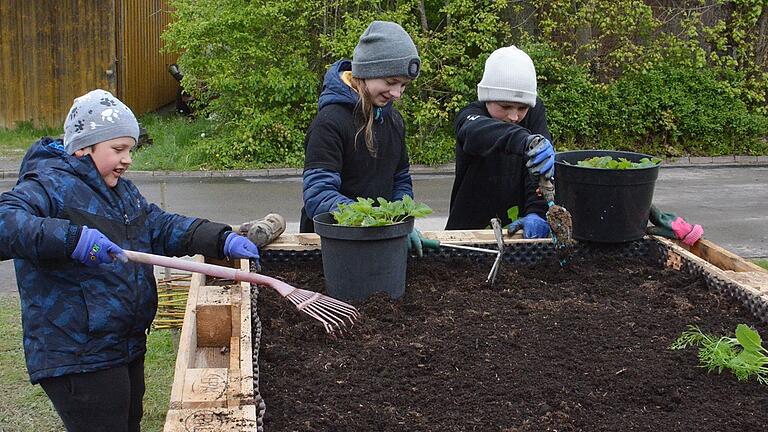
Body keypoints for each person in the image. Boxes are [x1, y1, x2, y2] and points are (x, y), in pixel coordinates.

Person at [0, 89, 261, 432]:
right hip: (79, 352)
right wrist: (71, 239)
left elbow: (158, 226)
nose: (128, 160)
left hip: (123, 342)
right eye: (118, 149)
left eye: (131, 150)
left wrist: (219, 237)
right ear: (83, 147)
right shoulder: (49, 185)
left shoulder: (120, 191)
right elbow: (6, 223)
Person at [299, 20, 425, 247]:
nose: (397, 93)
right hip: (332, 246)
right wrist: (374, 221)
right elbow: (319, 195)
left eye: (404, 85)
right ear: (366, 72)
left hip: (380, 241)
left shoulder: (393, 120)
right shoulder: (330, 122)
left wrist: (401, 221)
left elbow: (401, 179)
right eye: (391, 82)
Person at [446, 45, 556, 238]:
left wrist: (537, 212)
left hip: (518, 230)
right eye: (505, 106)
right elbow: (475, 133)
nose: (514, 116)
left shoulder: (535, 113)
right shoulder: (470, 117)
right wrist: (524, 140)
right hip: (468, 231)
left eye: (522, 108)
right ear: (488, 98)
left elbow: (539, 170)